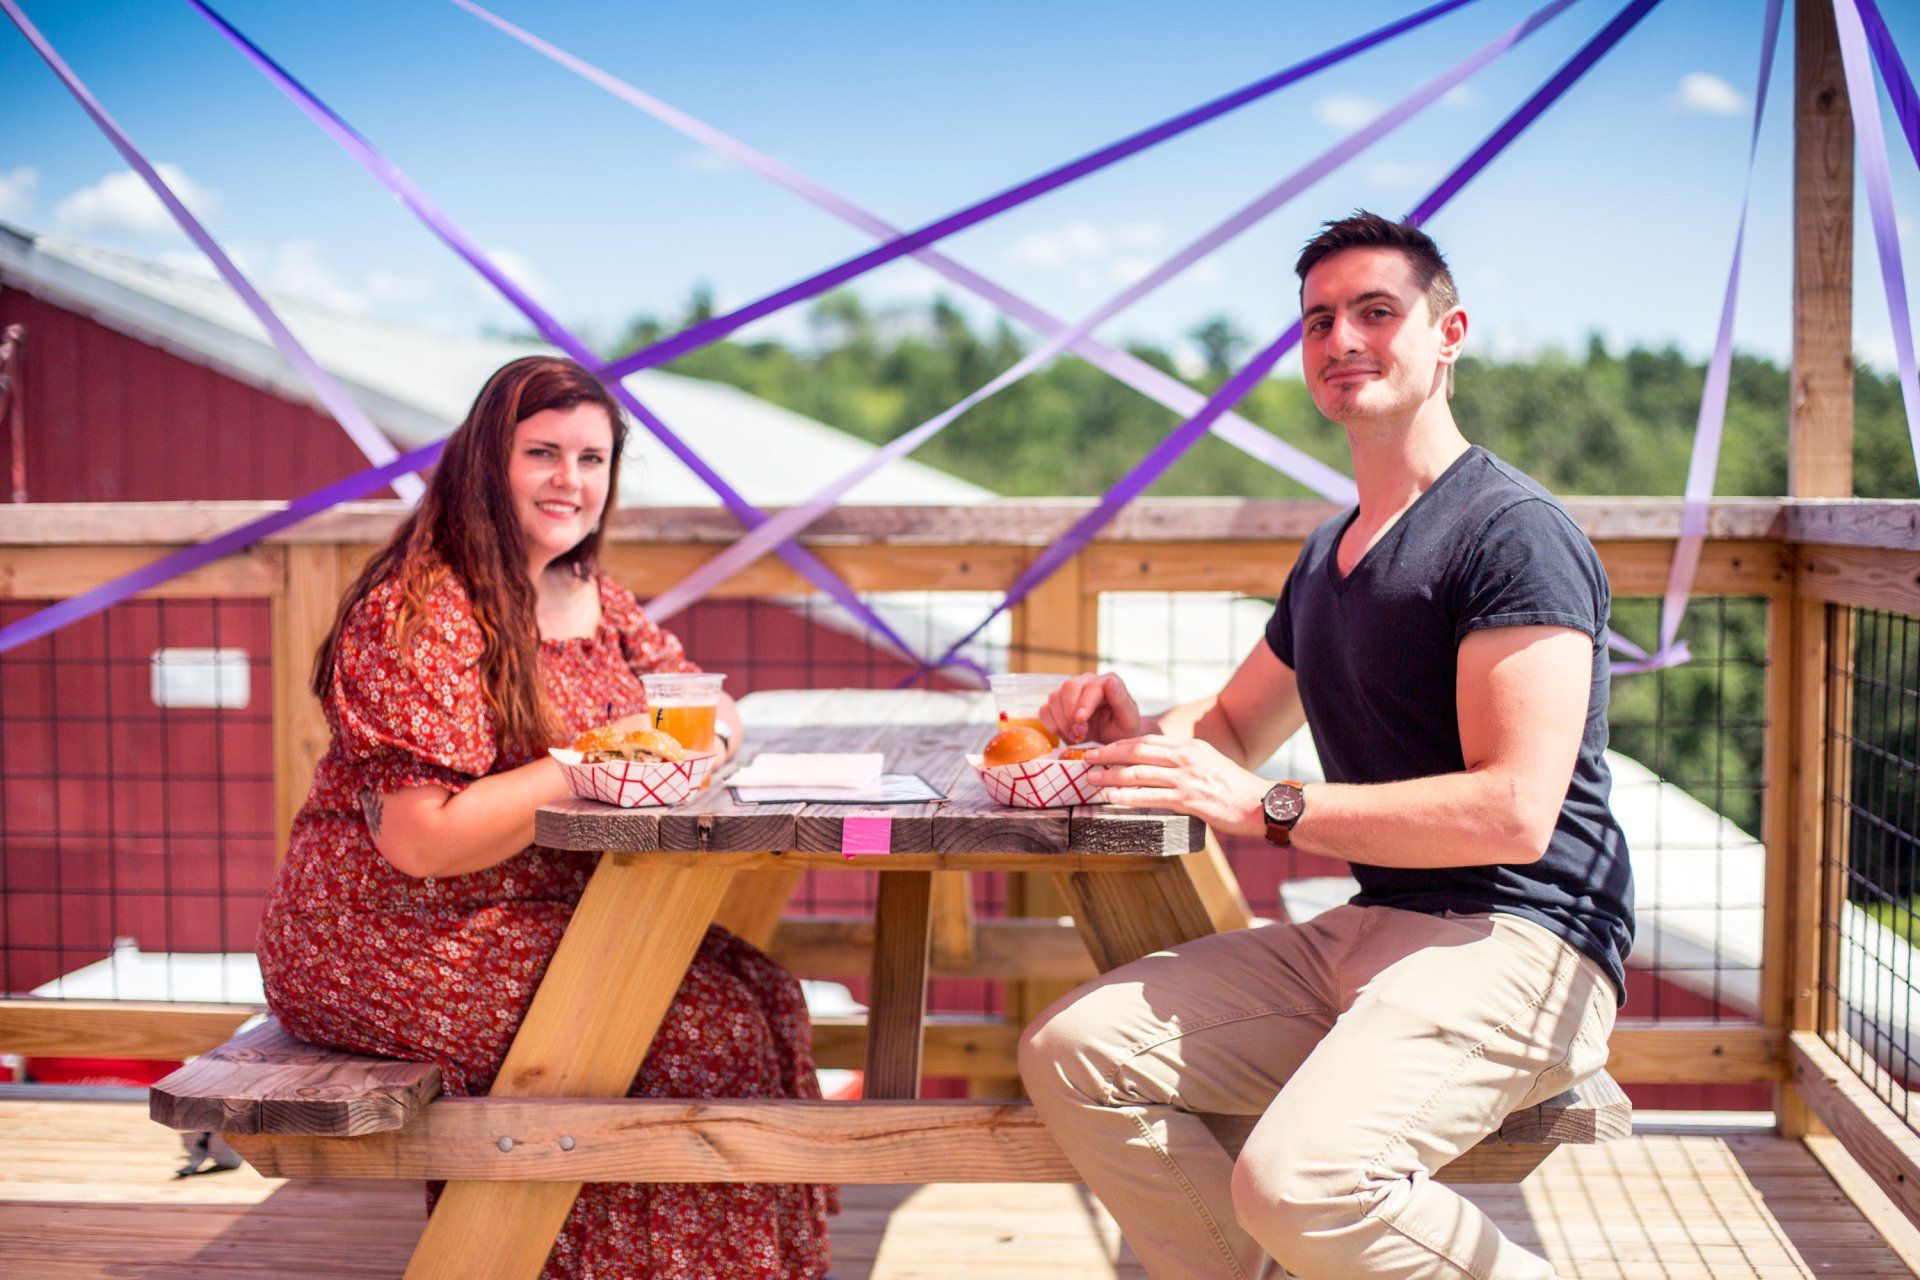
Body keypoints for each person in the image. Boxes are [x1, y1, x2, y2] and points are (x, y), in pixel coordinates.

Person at [1019, 212, 1631, 1280]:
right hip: (1373, 926)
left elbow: (1515, 810)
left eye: (1376, 311)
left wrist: (1271, 807)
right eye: (1318, 320)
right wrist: (1138, 736)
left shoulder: (1511, 530)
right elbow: (1228, 729)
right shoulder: (1329, 554)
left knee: (1297, 1181)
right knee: (1075, 1054)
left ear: (1449, 333)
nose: (1342, 336)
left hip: (1525, 939)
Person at [257, 356, 834, 1280]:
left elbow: (707, 706)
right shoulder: (421, 610)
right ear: (490, 461)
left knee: (764, 992)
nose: (572, 481)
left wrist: (692, 745)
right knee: (698, 1029)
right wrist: (597, 759)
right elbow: (420, 838)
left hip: (531, 910)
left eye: (593, 459)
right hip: (388, 934)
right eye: (544, 453)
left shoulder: (591, 596)